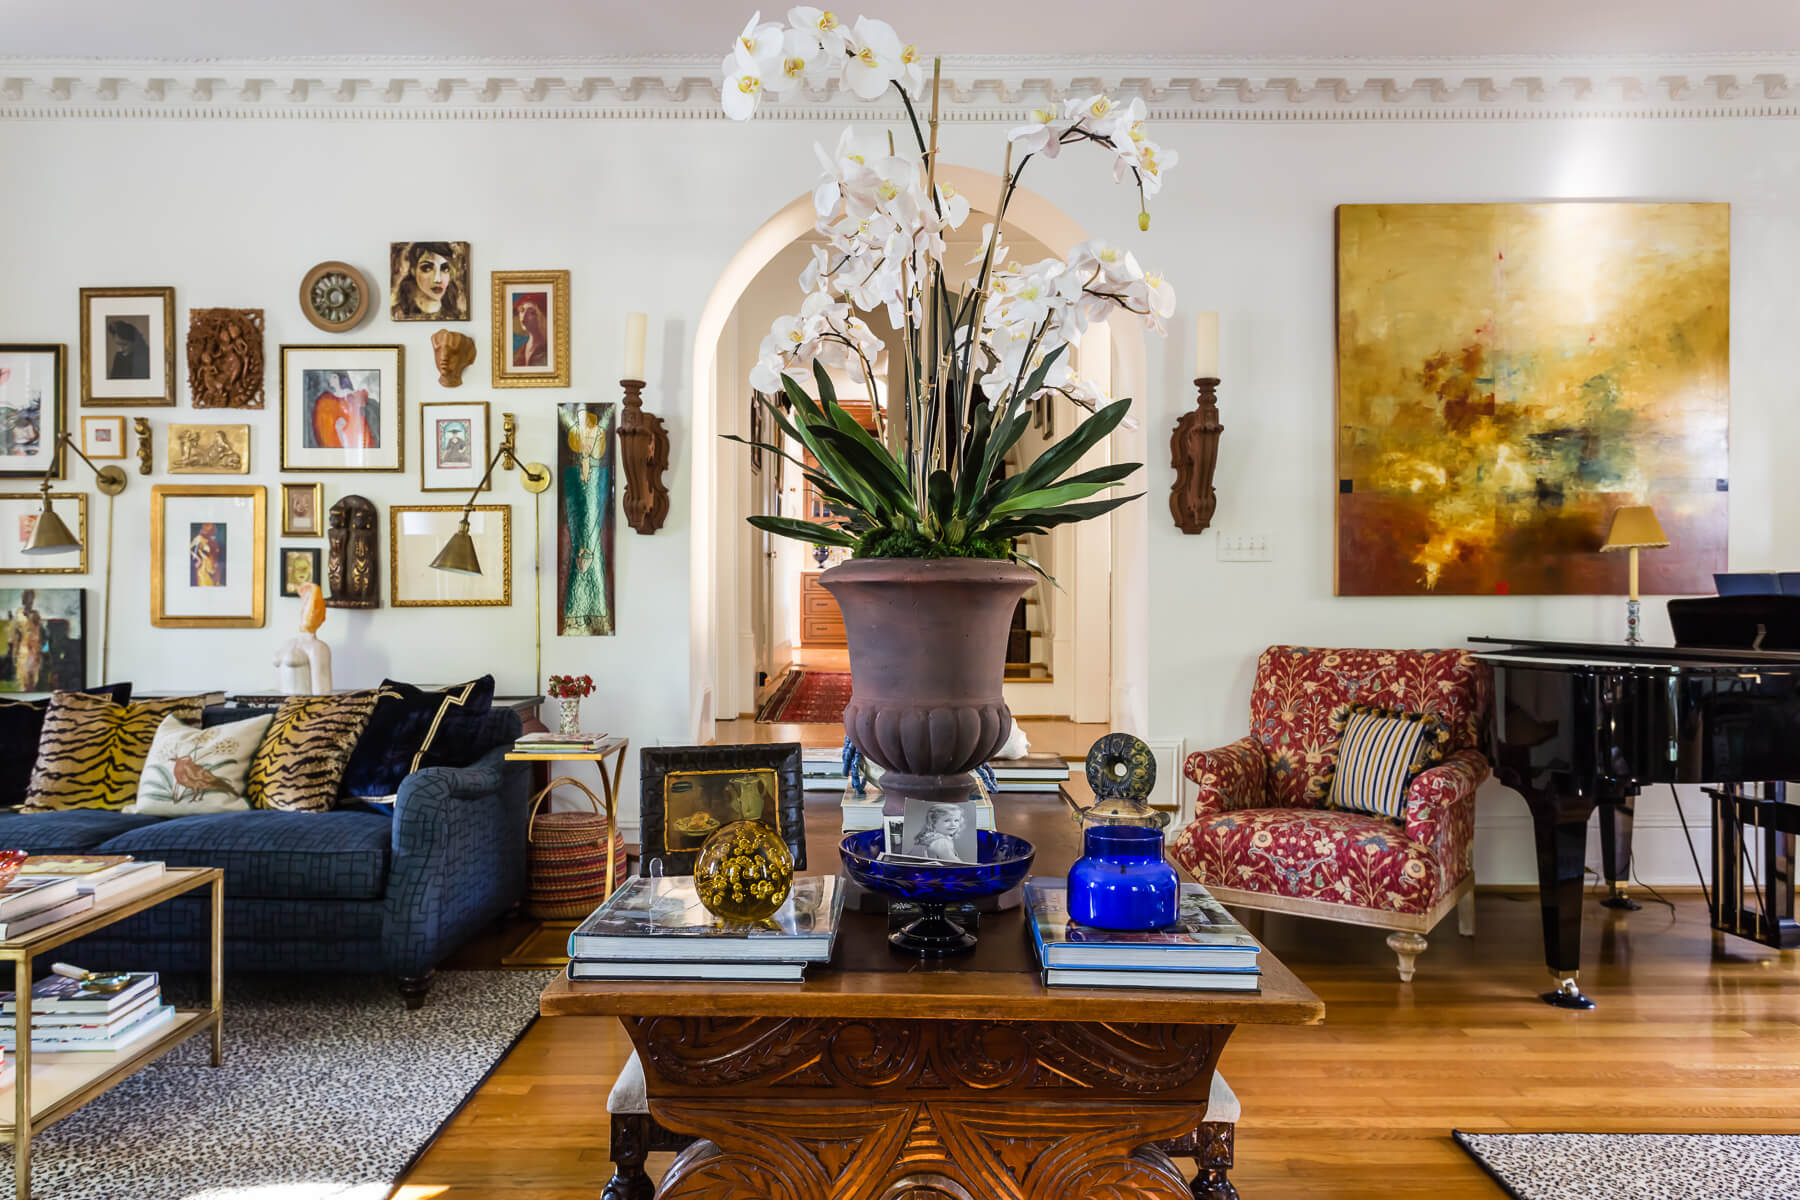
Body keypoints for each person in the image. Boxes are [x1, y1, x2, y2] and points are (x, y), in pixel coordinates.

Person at [391, 242, 464, 320]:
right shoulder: (396, 314)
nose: (438, 279)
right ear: (413, 271)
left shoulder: (458, 314)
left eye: (445, 269)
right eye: (427, 268)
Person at [512, 297, 547, 367]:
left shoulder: (547, 351)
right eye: (522, 310)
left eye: (531, 312)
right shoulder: (519, 352)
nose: (523, 316)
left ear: (542, 317)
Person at [190, 523, 225, 588]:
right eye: (213, 529)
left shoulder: (213, 540)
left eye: (214, 529)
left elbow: (215, 554)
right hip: (204, 571)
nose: (215, 531)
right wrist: (198, 559)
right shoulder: (199, 539)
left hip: (215, 570)